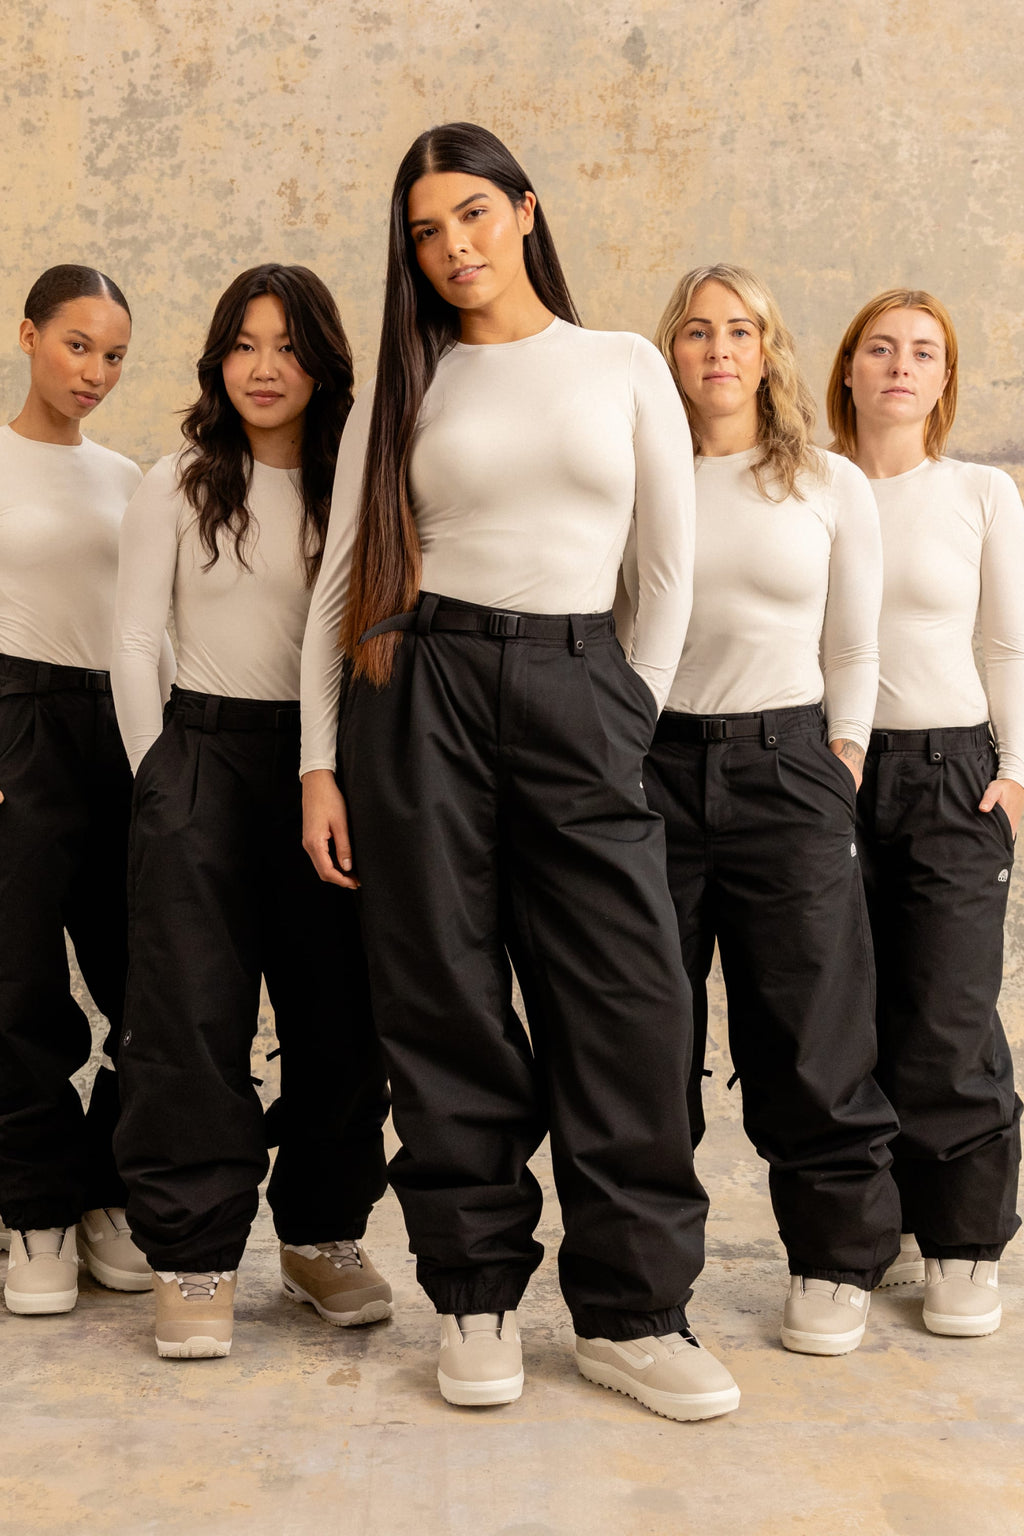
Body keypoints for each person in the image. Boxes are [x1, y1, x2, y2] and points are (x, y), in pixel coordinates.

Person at [300, 122, 739, 1422]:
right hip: (417, 688)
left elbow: (666, 571)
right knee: (442, 994)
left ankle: (635, 1315)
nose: (454, 248)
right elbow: (343, 578)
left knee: (628, 1001)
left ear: (528, 211)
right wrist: (321, 764)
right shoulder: (404, 382)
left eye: (475, 215)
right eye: (427, 232)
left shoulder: (621, 364)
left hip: (577, 687)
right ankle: (476, 1294)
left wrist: (623, 714)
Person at [111, 264, 391, 1360]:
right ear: (218, 360)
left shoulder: (361, 488)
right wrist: (159, 780)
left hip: (336, 770)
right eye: (243, 343)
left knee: (339, 1015)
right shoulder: (176, 481)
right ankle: (193, 1251)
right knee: (190, 1016)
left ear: (323, 363)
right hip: (204, 756)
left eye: (286, 345)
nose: (264, 367)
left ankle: (322, 1236)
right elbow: (134, 641)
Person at [634, 263, 901, 1356]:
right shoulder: (641, 482)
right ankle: (648, 1274)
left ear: (768, 349)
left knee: (811, 1027)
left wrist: (838, 762)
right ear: (673, 352)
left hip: (789, 763)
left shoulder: (828, 484)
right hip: (652, 768)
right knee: (647, 1034)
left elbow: (854, 644)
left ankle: (836, 1260)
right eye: (696, 332)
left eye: (738, 331)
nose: (717, 351)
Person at [826, 289, 1023, 1336]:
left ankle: (960, 1242)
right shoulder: (807, 486)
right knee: (841, 1014)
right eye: (881, 349)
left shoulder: (979, 493)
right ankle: (863, 1234)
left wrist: (1017, 772)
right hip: (828, 772)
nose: (900, 366)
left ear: (943, 381)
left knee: (946, 1015)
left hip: (953, 774)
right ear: (847, 369)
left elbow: (1005, 644)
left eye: (924, 353)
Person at [0, 263, 165, 1315]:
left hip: (123, 728)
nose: (94, 371)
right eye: (76, 345)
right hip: (14, 724)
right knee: (14, 986)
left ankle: (107, 1184)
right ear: (26, 335)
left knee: (151, 984)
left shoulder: (130, 479)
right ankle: (33, 1209)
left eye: (112, 355)